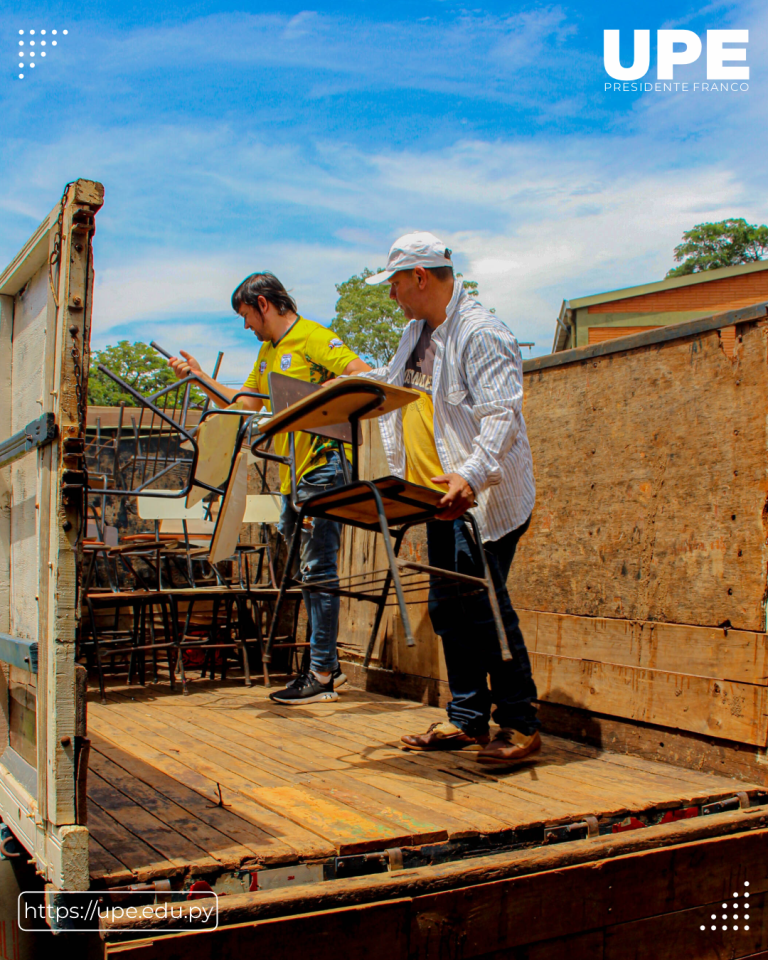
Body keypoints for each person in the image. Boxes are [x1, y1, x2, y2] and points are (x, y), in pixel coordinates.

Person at [362, 233, 540, 763]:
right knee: (448, 608)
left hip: (480, 501)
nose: (391, 293)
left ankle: (520, 722)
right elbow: (391, 384)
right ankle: (467, 719)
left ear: (420, 276)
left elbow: (501, 417)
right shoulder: (416, 332)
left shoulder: (480, 332)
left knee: (484, 608)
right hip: (435, 498)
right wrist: (338, 389)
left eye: (395, 282)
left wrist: (469, 475)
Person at [167, 271, 370, 704]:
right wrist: (198, 377)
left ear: (262, 304)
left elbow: (361, 375)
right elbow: (243, 406)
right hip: (291, 475)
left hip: (324, 466)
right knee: (307, 569)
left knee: (318, 570)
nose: (245, 326)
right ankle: (327, 665)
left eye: (245, 315)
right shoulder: (266, 353)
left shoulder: (313, 337)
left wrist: (311, 398)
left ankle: (321, 674)